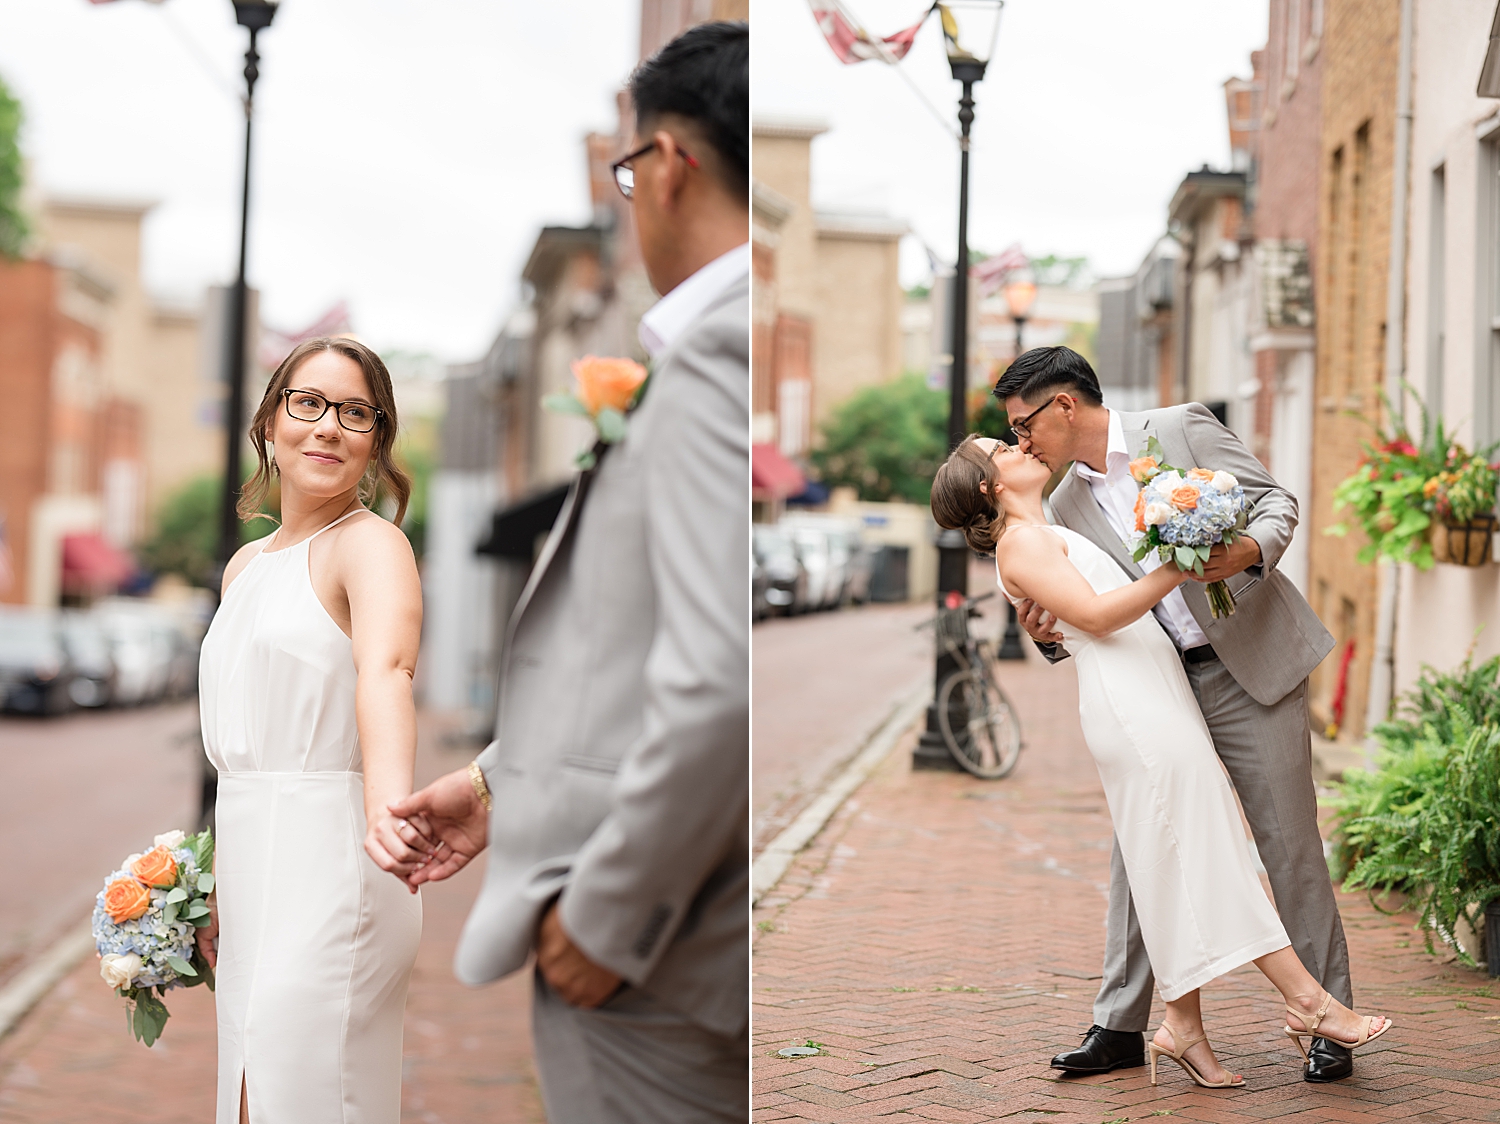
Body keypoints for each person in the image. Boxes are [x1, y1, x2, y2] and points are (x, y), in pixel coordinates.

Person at [387, 20, 749, 1123]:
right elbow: (631, 649)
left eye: (628, 165)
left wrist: (607, 914)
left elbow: (715, 680)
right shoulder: (703, 348)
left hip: (659, 966)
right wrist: (501, 778)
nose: (629, 193)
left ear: (674, 163)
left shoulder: (716, 351)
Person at [930, 433, 1391, 1088]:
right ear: (989, 485)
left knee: (1169, 861)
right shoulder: (1024, 542)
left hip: (1153, 696)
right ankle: (1308, 1001)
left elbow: (1079, 610)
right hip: (1134, 709)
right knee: (1210, 852)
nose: (1019, 444)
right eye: (1002, 448)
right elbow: (1094, 616)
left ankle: (1183, 1026)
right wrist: (1180, 562)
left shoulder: (1041, 529)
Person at [195, 337, 431, 1123]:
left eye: (355, 412)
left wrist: (390, 818)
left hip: (335, 858)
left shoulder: (370, 545)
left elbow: (387, 674)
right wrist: (215, 881)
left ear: (375, 442)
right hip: (252, 862)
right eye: (309, 403)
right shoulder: (245, 567)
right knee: (250, 1095)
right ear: (270, 423)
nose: (329, 426)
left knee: (304, 1094)